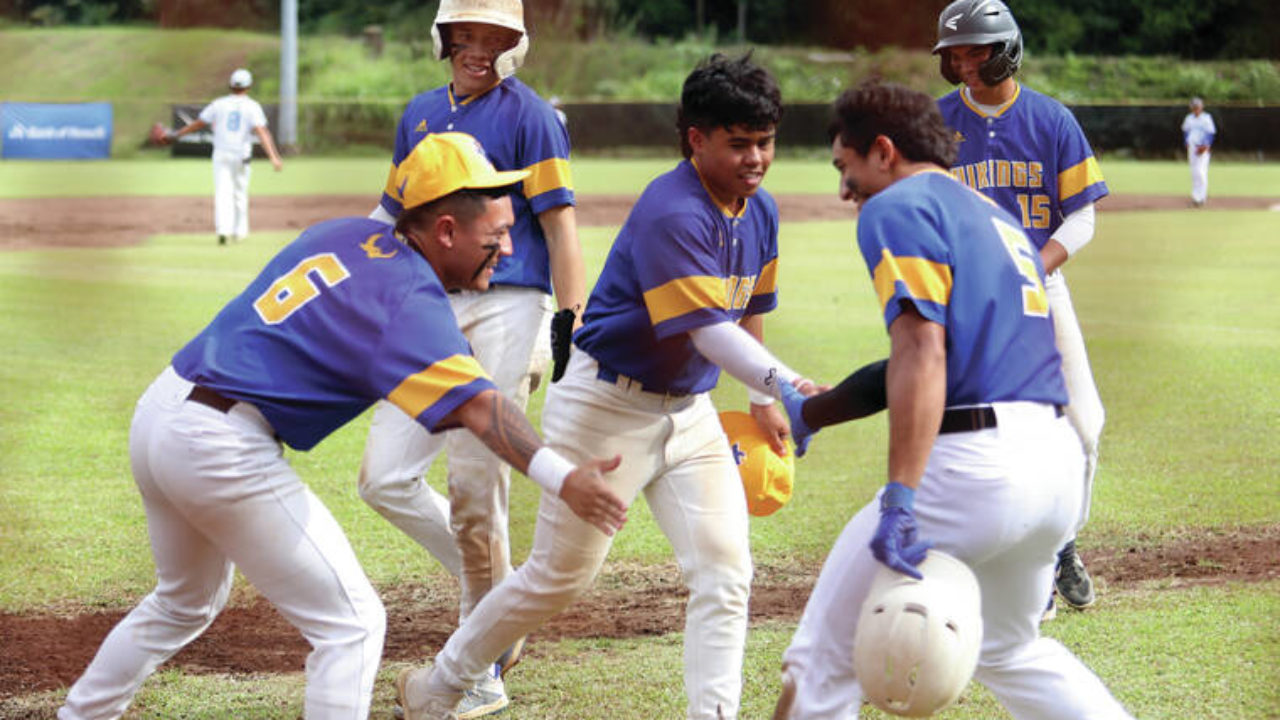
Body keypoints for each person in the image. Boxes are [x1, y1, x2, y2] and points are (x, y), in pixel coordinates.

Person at [56, 133, 626, 720]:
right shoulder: (409, 298)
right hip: (218, 445)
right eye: (496, 236)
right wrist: (565, 478)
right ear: (447, 231)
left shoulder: (346, 233)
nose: (508, 250)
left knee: (183, 601)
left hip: (163, 409)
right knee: (353, 624)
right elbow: (482, 409)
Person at [395, 52, 814, 720]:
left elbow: (748, 310)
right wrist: (788, 383)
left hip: (691, 413)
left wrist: (764, 400)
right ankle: (440, 686)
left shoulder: (757, 212)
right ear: (695, 139)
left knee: (726, 572)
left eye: (765, 142)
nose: (757, 158)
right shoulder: (671, 210)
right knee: (556, 578)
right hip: (606, 409)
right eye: (739, 144)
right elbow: (708, 332)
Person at [771, 79, 1133, 720]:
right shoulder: (998, 218)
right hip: (1053, 464)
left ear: (883, 151)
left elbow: (922, 353)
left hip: (972, 471)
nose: (843, 189)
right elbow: (938, 359)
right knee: (1011, 648)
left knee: (819, 665)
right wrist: (815, 412)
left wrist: (902, 496)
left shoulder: (900, 205)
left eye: (844, 166)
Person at [931, 0, 1109, 618]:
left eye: (974, 49)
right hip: (965, 302)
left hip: (1042, 287)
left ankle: (1061, 544)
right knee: (979, 434)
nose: (961, 62)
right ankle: (991, 563)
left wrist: (1038, 265)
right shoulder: (937, 124)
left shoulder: (1051, 120)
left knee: (1084, 423)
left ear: (1005, 49)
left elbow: (1081, 213)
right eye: (955, 53)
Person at [162, 68, 283, 246]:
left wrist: (177, 134)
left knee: (222, 193)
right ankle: (240, 231)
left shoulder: (219, 104)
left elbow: (198, 123)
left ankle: (223, 230)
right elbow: (262, 132)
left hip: (221, 154)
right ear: (249, 86)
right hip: (242, 154)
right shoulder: (252, 106)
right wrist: (273, 156)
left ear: (230, 85)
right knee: (240, 193)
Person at [1182, 97, 1216, 207]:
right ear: (1191, 108)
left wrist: (1206, 145)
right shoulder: (1189, 118)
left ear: (1201, 107)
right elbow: (1186, 131)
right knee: (1194, 173)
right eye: (1194, 107)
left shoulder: (1206, 118)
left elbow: (1211, 133)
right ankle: (1196, 197)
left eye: (1198, 107)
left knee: (1201, 172)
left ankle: (1201, 197)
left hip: (1202, 147)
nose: (1196, 109)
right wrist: (1186, 142)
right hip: (1192, 148)